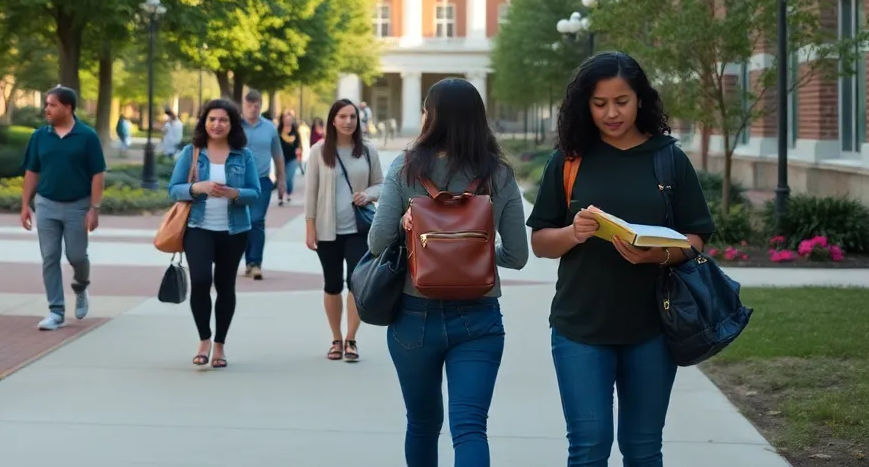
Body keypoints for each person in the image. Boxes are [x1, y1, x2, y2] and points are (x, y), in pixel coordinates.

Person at [527, 51, 715, 467]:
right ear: (585, 105)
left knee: (643, 449)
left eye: (622, 101)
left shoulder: (668, 158)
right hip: (580, 326)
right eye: (600, 104)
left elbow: (696, 238)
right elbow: (540, 242)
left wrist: (656, 256)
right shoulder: (568, 161)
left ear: (641, 100)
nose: (611, 113)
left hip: (653, 327)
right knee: (589, 446)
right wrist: (572, 234)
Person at [367, 77, 529, 467]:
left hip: (413, 315)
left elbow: (376, 245)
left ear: (431, 117)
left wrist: (418, 240)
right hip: (479, 316)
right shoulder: (500, 175)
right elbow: (517, 256)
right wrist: (472, 255)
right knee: (470, 428)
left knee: (422, 424)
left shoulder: (405, 169)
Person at [167, 98, 261, 369]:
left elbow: (255, 192)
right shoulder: (192, 152)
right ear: (204, 122)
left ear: (232, 124)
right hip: (198, 228)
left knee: (224, 285)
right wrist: (198, 187)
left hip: (234, 231)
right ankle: (204, 339)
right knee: (199, 280)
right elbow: (173, 188)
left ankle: (219, 344)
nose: (217, 125)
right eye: (212, 119)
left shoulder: (243, 155)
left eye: (223, 120)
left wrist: (234, 193)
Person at [20, 85, 107, 331]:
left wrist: (94, 208)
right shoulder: (39, 136)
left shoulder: (87, 136)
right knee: (49, 257)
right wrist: (25, 204)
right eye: (46, 104)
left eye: (52, 104)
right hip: (46, 204)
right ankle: (56, 311)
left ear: (68, 107)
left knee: (77, 256)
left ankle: (80, 287)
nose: (46, 109)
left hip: (78, 206)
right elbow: (32, 171)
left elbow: (97, 175)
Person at [304, 98, 383, 362]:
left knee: (356, 284)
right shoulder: (318, 151)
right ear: (333, 120)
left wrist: (368, 194)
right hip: (327, 230)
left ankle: (351, 339)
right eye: (343, 117)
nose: (348, 121)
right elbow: (310, 192)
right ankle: (335, 338)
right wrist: (309, 227)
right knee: (332, 283)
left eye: (352, 117)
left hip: (359, 229)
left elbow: (381, 185)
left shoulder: (368, 150)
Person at [240, 89, 285, 280]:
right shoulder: (235, 127)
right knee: (242, 223)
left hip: (262, 181)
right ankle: (246, 260)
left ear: (261, 106)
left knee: (257, 221)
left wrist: (282, 180)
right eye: (249, 105)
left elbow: (278, 154)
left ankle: (255, 263)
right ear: (244, 105)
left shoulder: (269, 128)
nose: (253, 109)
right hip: (237, 182)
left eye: (256, 105)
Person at [277, 110, 304, 205]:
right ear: (283, 120)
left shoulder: (295, 132)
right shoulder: (278, 131)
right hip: (280, 157)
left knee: (289, 177)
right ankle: (280, 196)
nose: (288, 121)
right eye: (286, 119)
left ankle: (288, 193)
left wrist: (299, 151)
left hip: (292, 158)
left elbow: (299, 144)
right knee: (281, 177)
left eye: (289, 119)